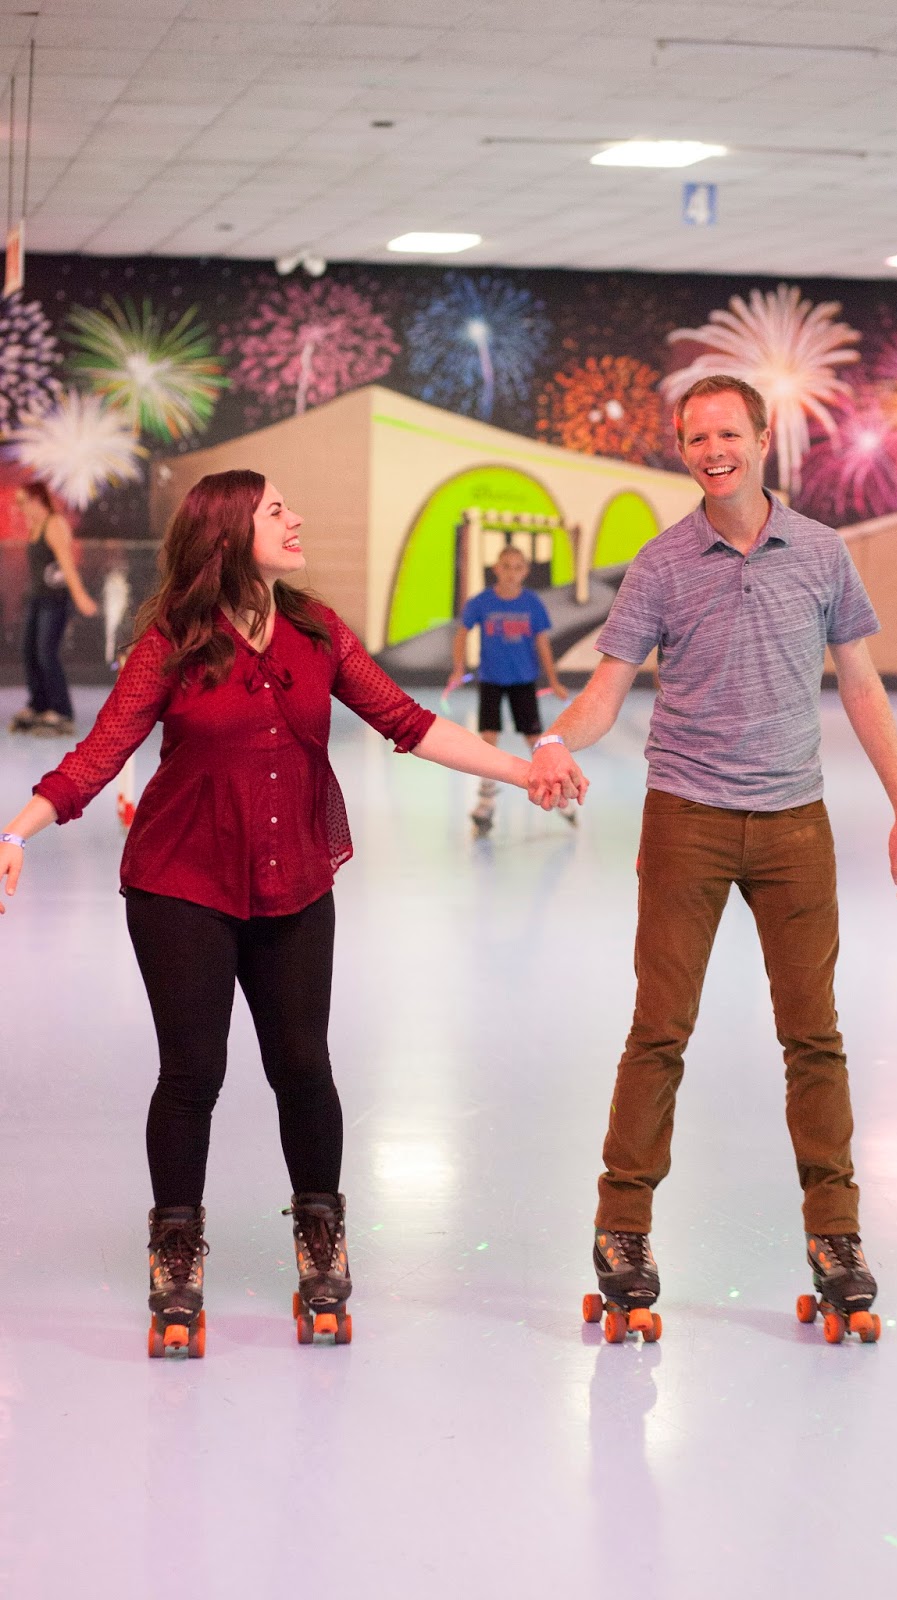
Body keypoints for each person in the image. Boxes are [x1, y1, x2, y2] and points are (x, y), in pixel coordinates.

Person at [0, 469, 553, 1357]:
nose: (295, 521)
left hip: (293, 877)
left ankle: (320, 1232)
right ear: (227, 533)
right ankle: (175, 1249)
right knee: (193, 1072)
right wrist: (20, 827)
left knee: (302, 1065)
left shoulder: (314, 630)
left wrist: (524, 772)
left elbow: (406, 721)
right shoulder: (175, 642)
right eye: (275, 511)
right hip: (181, 883)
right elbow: (105, 747)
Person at [527, 375, 897, 1338]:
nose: (712, 449)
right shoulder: (661, 565)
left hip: (796, 826)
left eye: (727, 433)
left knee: (813, 1037)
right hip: (687, 821)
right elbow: (603, 692)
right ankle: (622, 1230)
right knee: (658, 1031)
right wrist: (550, 741)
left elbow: (863, 690)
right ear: (682, 448)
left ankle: (837, 1238)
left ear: (761, 440)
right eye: (694, 435)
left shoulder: (822, 552)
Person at [445, 544, 573, 834]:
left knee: (535, 740)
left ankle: (559, 795)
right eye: (506, 566)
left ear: (525, 571)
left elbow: (542, 642)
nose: (511, 572)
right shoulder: (481, 602)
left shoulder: (532, 604)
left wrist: (553, 680)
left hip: (523, 682)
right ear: (496, 569)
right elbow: (462, 632)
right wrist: (457, 667)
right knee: (488, 738)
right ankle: (486, 802)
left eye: (518, 567)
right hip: (491, 680)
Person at [9, 481, 98, 737]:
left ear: (38, 500)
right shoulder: (35, 526)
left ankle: (62, 711)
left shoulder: (54, 524)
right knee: (29, 651)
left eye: (24, 502)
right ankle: (40, 704)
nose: (21, 508)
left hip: (54, 601)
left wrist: (80, 596)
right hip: (37, 598)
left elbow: (67, 565)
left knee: (46, 654)